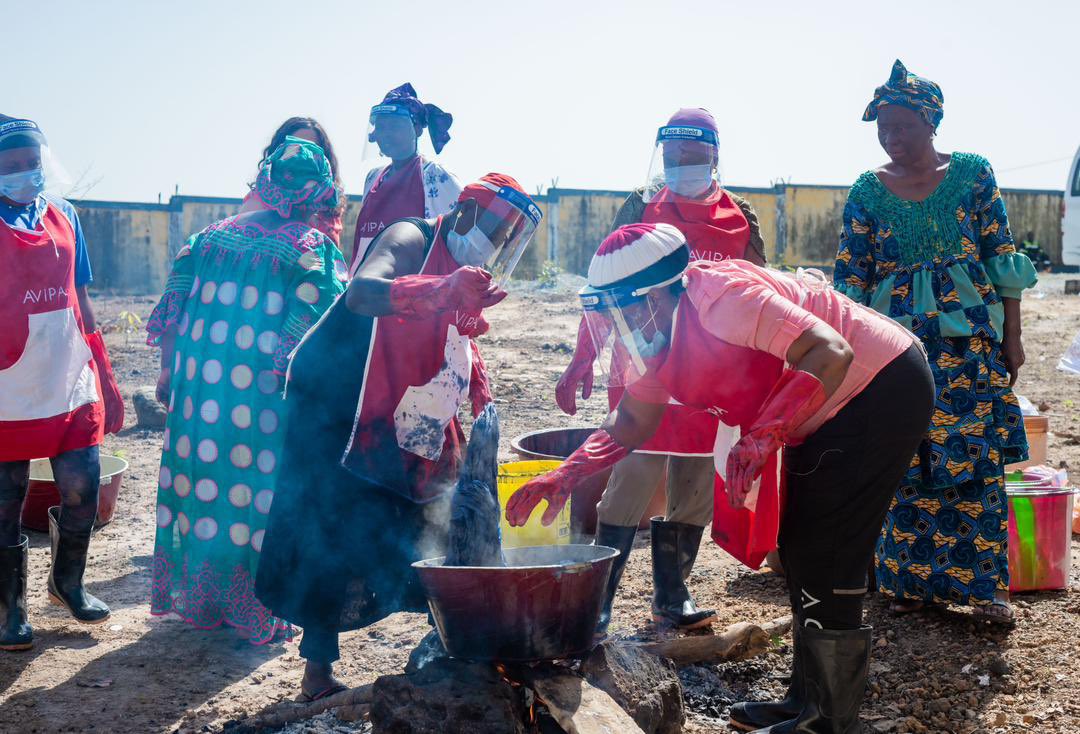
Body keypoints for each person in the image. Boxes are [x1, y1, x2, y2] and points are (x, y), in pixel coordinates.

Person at [506, 223, 935, 733]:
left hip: (878, 385)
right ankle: (805, 701)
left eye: (627, 307)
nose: (622, 323)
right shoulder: (651, 337)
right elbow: (631, 422)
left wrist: (761, 436)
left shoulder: (723, 299)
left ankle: (830, 719)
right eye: (610, 311)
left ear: (663, 292)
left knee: (828, 549)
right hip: (821, 407)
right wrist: (566, 475)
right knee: (799, 546)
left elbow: (831, 353)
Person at [256, 173, 541, 701]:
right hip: (335, 400)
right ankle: (316, 674)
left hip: (400, 401)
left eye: (510, 241)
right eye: (496, 232)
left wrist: (475, 376)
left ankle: (452, 643)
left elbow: (450, 336)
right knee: (331, 522)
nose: (498, 248)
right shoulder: (412, 237)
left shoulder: (464, 271)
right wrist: (440, 289)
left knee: (434, 504)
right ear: (463, 215)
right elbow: (362, 293)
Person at [834, 60, 1038, 625]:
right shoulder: (867, 191)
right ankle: (906, 584)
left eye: (902, 126)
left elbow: (1002, 255)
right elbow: (851, 278)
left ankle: (984, 587)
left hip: (968, 344)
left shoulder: (974, 173)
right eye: (882, 128)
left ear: (932, 122)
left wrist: (1012, 335)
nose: (891, 138)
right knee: (903, 454)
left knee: (974, 456)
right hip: (895, 346)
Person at [555, 108, 768, 635]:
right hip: (644, 363)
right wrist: (583, 356)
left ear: (713, 157)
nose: (680, 167)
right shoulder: (642, 206)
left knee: (694, 482)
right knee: (632, 475)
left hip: (710, 376)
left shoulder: (741, 217)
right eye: (671, 158)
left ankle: (672, 597)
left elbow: (758, 295)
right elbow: (606, 284)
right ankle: (596, 602)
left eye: (691, 158)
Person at [147, 137, 346, 645]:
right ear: (316, 192)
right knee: (254, 499)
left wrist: (169, 373)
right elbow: (314, 330)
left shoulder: (206, 238)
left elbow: (171, 311)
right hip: (260, 401)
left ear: (264, 182)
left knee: (201, 487)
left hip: (197, 397)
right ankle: (257, 610)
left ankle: (204, 601)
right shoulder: (311, 248)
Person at [0, 115, 124, 651]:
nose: (26, 173)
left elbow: (80, 293)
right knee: (5, 502)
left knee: (83, 488)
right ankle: (10, 609)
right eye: (11, 166)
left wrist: (100, 360)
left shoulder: (66, 215)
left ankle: (67, 583)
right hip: (7, 384)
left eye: (33, 163)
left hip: (68, 375)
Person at [349, 83, 461, 270]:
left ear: (417, 129)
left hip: (415, 287)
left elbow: (458, 238)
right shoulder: (373, 177)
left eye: (395, 126)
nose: (386, 134)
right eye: (381, 126)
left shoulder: (435, 176)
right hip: (370, 286)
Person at [239, 117, 346, 246]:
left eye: (312, 148)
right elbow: (241, 248)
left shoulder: (329, 207)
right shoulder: (259, 201)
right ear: (278, 152)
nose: (304, 155)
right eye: (296, 147)